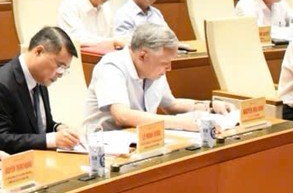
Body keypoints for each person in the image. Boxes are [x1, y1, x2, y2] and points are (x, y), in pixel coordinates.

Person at [81, 22, 210, 134]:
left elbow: (172, 105)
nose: (169, 68)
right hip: (104, 145)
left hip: (141, 141)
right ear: (143, 56)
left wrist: (209, 106)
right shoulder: (111, 66)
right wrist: (181, 123)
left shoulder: (154, 69)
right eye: (165, 63)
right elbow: (122, 116)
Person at [0, 26, 83, 152]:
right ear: (38, 51)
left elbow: (38, 127)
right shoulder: (1, 85)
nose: (60, 73)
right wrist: (51, 139)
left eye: (65, 69)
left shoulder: (40, 80)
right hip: (7, 165)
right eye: (59, 66)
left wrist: (58, 128)